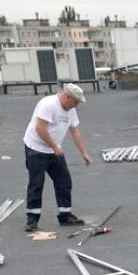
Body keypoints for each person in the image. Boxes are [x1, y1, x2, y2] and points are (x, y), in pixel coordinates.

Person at [22, 83, 92, 232]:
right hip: (36, 148)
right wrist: (54, 146)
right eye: (75, 102)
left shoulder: (70, 109)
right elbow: (40, 128)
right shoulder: (48, 104)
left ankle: (65, 215)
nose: (77, 105)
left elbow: (75, 132)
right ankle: (32, 219)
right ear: (67, 97)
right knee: (36, 183)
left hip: (54, 149)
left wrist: (84, 153)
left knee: (64, 181)